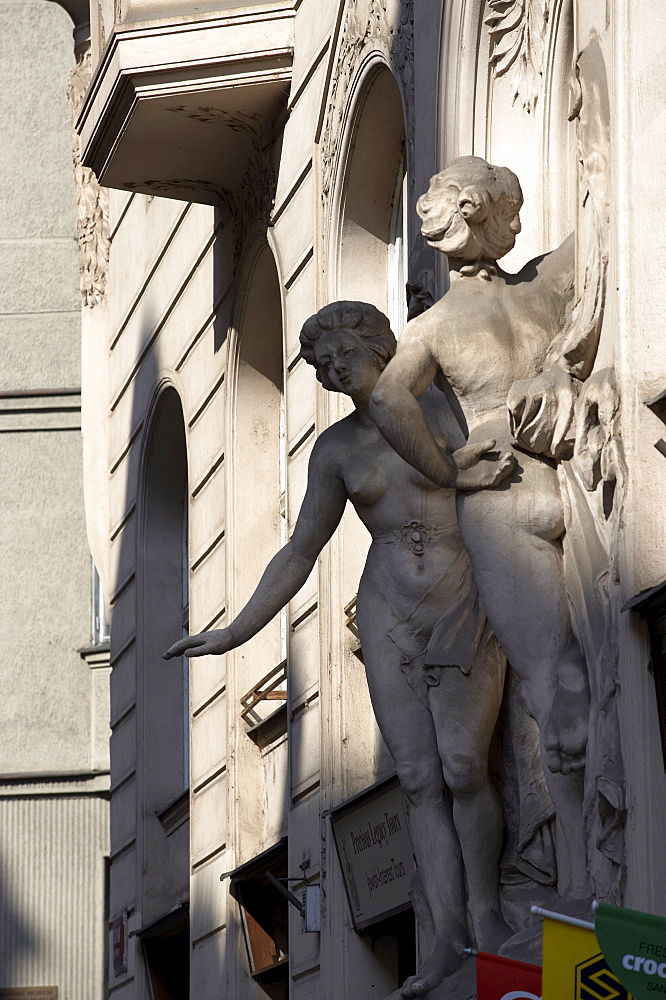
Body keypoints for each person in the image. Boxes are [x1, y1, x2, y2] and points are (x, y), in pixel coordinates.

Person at [165, 301, 514, 997]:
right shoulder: (337, 450)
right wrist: (237, 630)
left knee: (463, 765)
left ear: (378, 346)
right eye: (323, 365)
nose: (333, 368)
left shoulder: (439, 402)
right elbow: (300, 551)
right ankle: (446, 937)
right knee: (418, 780)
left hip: (460, 591)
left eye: (342, 353)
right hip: (387, 609)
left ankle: (487, 915)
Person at [369, 155, 592, 911]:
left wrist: (448, 468)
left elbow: (388, 399)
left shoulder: (432, 327)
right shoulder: (543, 287)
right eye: (512, 209)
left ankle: (588, 882)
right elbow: (599, 223)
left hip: (499, 494)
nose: (520, 223)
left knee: (553, 685)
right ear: (477, 208)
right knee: (591, 671)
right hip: (565, 473)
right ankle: (591, 877)